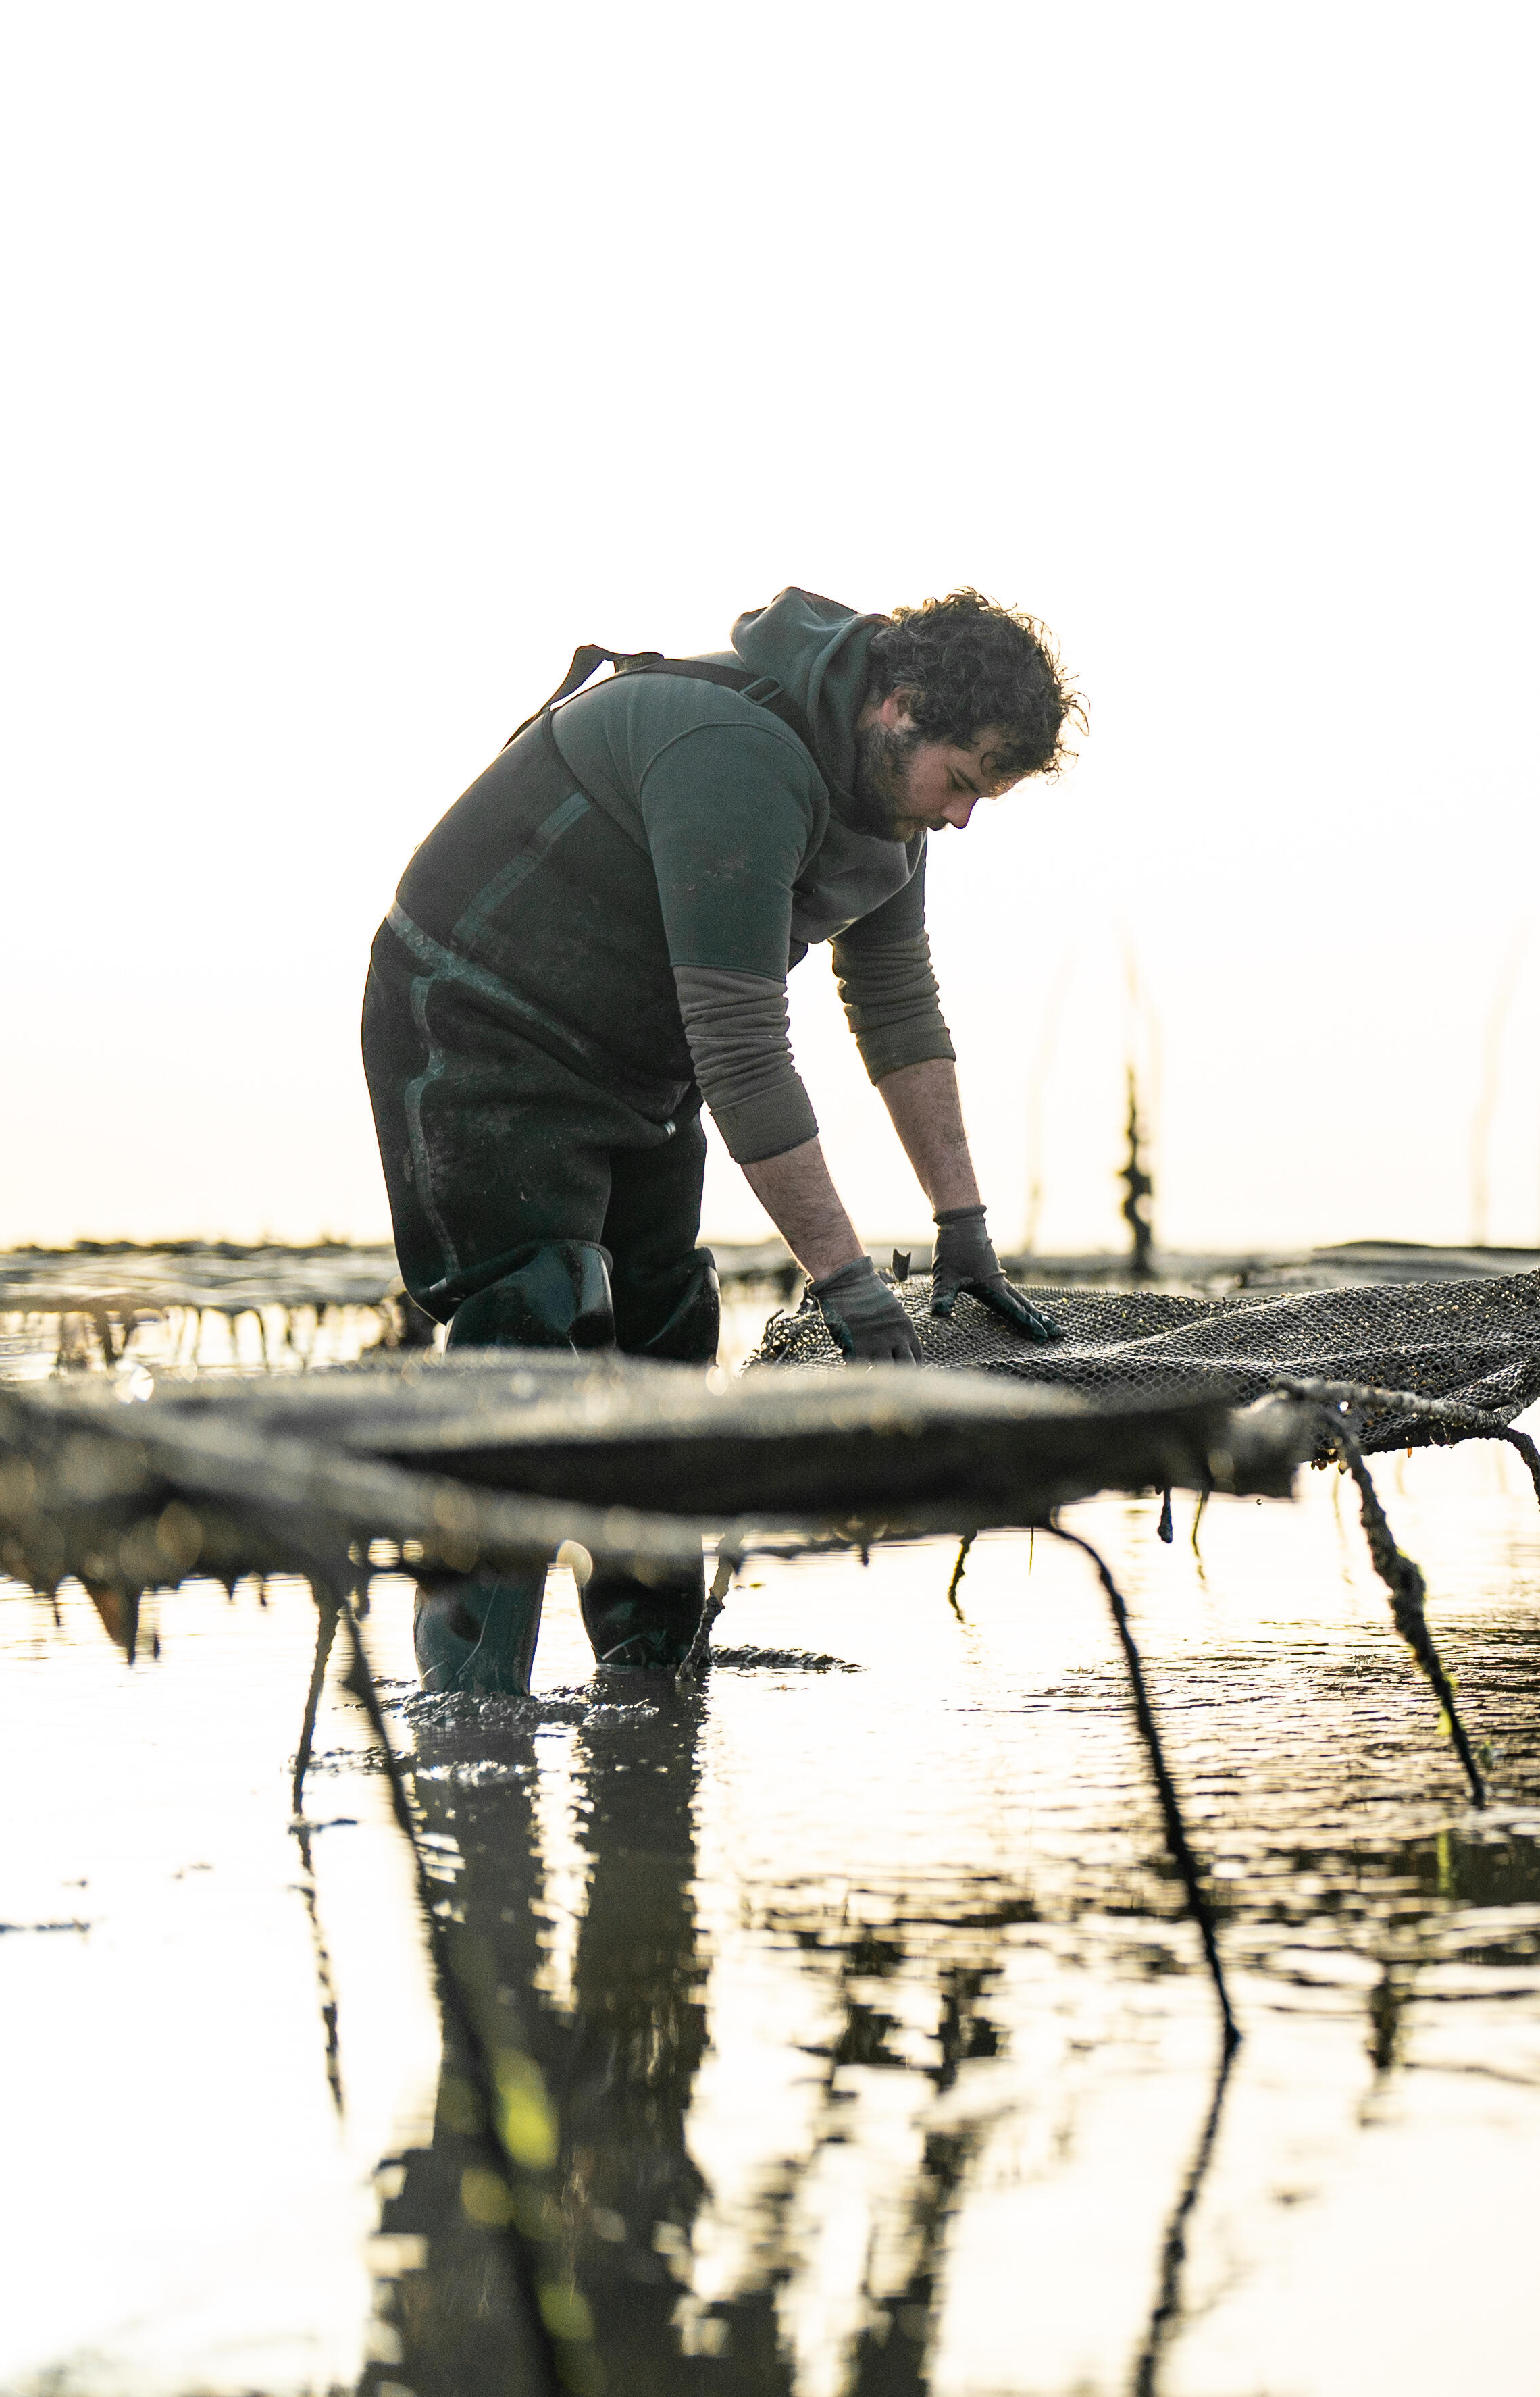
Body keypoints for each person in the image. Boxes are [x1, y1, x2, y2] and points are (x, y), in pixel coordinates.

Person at [363, 586, 1074, 1691]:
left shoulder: (889, 813)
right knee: (540, 1322)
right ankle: (470, 1711)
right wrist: (844, 1281)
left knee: (663, 1336)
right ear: (899, 706)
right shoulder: (733, 751)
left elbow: (897, 1008)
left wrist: (963, 1226)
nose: (964, 817)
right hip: (473, 1016)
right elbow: (743, 1048)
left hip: (633, 1059)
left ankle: (649, 1687)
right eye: (966, 781)